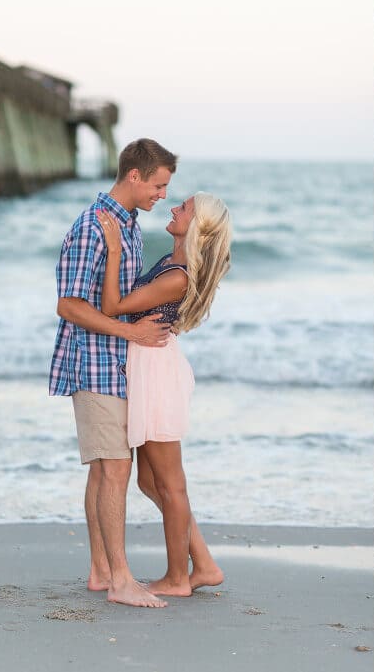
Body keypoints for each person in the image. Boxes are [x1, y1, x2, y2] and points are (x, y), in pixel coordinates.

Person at [49, 138, 176, 608]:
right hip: (95, 364)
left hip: (115, 365)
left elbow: (118, 296)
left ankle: (102, 571)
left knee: (105, 470)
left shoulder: (127, 226)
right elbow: (68, 305)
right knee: (115, 468)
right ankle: (122, 580)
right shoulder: (91, 226)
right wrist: (130, 334)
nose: (162, 194)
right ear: (135, 176)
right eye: (159, 185)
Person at [96, 191, 233, 597]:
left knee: (170, 485)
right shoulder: (172, 263)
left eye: (185, 208)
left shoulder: (177, 275)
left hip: (156, 372)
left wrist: (116, 250)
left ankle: (179, 578)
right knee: (150, 482)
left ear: (197, 225)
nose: (174, 208)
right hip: (149, 366)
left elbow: (112, 307)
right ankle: (203, 564)